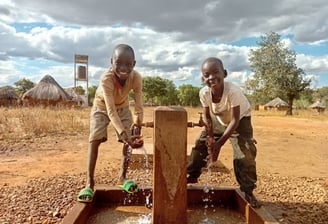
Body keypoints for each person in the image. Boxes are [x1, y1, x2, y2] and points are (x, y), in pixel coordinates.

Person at [187, 57, 261, 208]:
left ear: (224, 73)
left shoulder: (233, 91)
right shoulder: (204, 93)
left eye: (216, 72)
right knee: (200, 145)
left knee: (244, 151)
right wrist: (210, 137)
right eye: (207, 75)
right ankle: (192, 175)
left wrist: (219, 144)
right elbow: (207, 116)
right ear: (203, 78)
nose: (212, 77)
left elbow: (234, 121)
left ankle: (248, 190)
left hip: (240, 121)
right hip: (218, 119)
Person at [77, 44, 144, 203]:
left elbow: (139, 105)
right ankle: (89, 182)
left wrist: (137, 126)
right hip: (102, 106)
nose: (123, 68)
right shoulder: (106, 78)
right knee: (94, 140)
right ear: (111, 62)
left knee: (128, 142)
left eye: (128, 64)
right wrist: (123, 133)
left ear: (133, 64)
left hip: (123, 107)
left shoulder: (136, 78)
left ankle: (122, 177)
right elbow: (110, 111)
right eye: (119, 63)